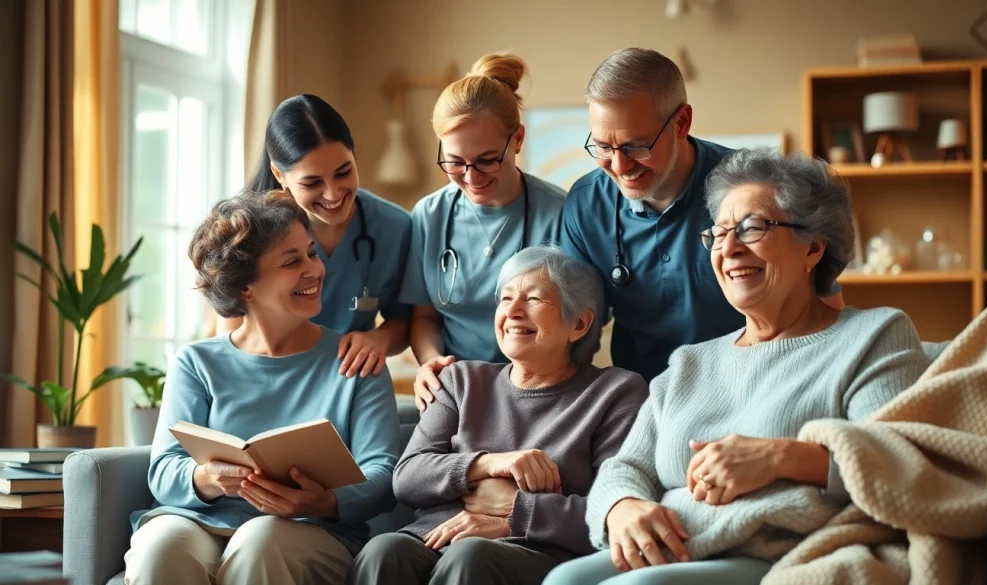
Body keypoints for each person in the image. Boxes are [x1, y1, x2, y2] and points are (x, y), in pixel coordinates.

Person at [543, 149, 929, 585]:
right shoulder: (691, 361)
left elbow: (900, 464)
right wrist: (622, 507)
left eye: (752, 228)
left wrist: (779, 457)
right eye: (719, 233)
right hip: (680, 543)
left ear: (814, 247)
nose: (728, 247)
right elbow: (625, 467)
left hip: (781, 551)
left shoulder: (874, 335)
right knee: (563, 581)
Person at [126, 192, 402, 585]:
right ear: (245, 289)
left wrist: (326, 501)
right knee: (160, 547)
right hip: (200, 520)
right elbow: (165, 469)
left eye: (310, 253)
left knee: (261, 539)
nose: (315, 269)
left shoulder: (356, 360)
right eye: (292, 262)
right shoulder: (197, 363)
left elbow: (384, 472)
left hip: (311, 529)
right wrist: (208, 477)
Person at [349, 246, 649, 585]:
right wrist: (489, 464)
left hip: (535, 549)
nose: (514, 311)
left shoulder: (616, 392)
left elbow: (614, 508)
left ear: (579, 323)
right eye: (505, 299)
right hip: (431, 536)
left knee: (471, 555)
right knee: (382, 551)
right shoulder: (459, 379)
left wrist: (518, 513)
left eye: (534, 300)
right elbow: (407, 479)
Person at [560, 48, 842, 383]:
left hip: (754, 385)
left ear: (681, 122)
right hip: (643, 400)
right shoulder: (586, 205)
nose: (619, 167)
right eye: (604, 147)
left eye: (637, 146)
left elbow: (823, 303)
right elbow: (573, 328)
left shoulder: (752, 189)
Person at [399, 53, 566, 410]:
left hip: (538, 391)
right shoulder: (430, 214)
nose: (472, 178)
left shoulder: (560, 214)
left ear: (517, 139)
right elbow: (425, 317)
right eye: (455, 162)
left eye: (488, 160)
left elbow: (578, 325)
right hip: (454, 390)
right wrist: (431, 363)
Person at [221, 94, 412, 379]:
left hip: (344, 379)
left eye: (344, 172)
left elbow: (404, 321)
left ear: (354, 155)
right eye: (312, 182)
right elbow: (234, 333)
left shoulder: (393, 227)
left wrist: (378, 339)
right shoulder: (249, 233)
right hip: (266, 375)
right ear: (279, 174)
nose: (333, 194)